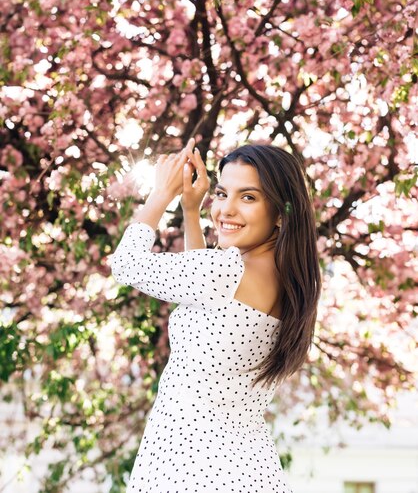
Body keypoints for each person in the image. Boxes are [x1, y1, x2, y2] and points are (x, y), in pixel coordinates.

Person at [110, 137, 321, 493]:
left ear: (281, 212)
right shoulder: (288, 280)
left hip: (191, 466)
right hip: (244, 468)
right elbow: (206, 297)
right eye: (222, 194)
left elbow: (126, 265)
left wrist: (161, 194)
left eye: (248, 197)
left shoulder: (227, 270)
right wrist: (192, 212)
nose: (226, 210)